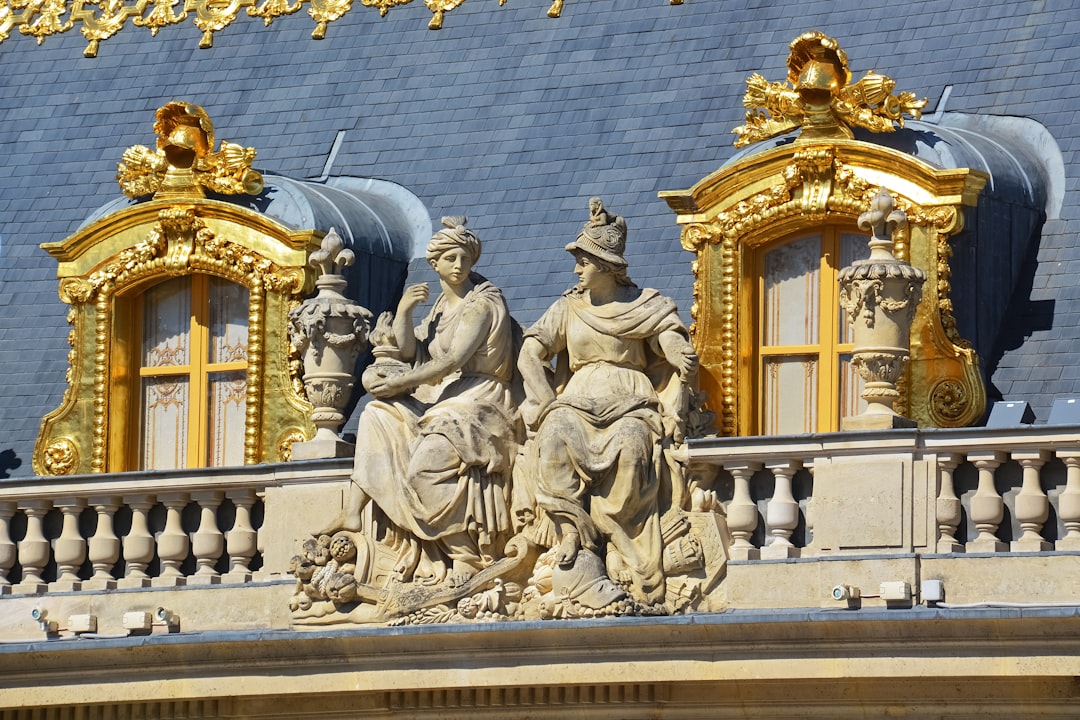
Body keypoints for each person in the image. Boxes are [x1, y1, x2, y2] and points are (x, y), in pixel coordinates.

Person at [517, 198, 698, 609]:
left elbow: (665, 331)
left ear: (606, 265)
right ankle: (571, 531)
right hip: (578, 398)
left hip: (629, 397)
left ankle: (618, 537)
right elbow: (531, 350)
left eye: (584, 260)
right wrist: (547, 404)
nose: (577, 268)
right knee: (557, 436)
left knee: (635, 447)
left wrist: (675, 351)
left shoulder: (642, 304)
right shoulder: (569, 307)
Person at [332, 216, 521, 589]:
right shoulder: (440, 309)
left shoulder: (480, 305)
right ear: (434, 263)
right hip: (445, 397)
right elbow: (411, 350)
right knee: (376, 414)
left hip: (480, 398)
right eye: (450, 258)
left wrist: (399, 382)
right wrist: (404, 311)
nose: (459, 265)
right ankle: (352, 512)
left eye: (464, 258)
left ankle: (465, 555)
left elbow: (450, 362)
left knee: (423, 469)